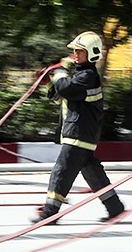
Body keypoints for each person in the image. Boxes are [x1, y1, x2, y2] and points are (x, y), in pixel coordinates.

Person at [30, 31, 125, 225]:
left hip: (79, 133)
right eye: (74, 51)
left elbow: (66, 88)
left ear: (91, 53)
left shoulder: (88, 76)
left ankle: (50, 212)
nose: (74, 55)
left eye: (79, 51)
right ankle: (114, 207)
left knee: (62, 170)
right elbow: (63, 97)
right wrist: (48, 83)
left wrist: (59, 71)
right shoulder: (82, 75)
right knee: (92, 172)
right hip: (81, 133)